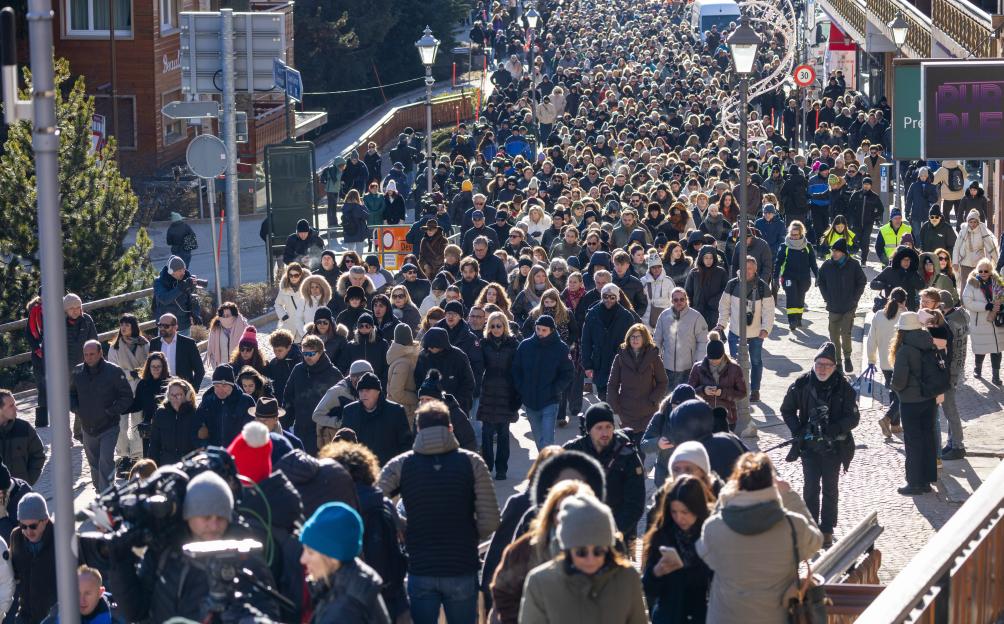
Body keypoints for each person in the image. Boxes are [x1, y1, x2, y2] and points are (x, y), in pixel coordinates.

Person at [378, 400, 500, 624]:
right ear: (451, 428)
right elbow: (491, 520)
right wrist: (469, 536)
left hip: (420, 567)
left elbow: (376, 501)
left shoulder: (401, 465)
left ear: (418, 429)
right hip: (461, 566)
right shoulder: (472, 463)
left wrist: (402, 526)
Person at [109, 470, 278, 623]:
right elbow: (136, 610)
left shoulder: (245, 555)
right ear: (189, 515)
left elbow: (268, 611)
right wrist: (118, 561)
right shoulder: (165, 550)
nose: (213, 525)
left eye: (220, 518)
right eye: (206, 517)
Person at [697, 453, 822, 624]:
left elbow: (707, 557)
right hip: (776, 618)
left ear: (737, 483)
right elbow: (816, 542)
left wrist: (725, 498)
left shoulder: (714, 527)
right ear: (771, 483)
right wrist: (789, 495)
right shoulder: (793, 525)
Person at [518, 493, 648, 624]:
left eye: (598, 551)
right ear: (567, 549)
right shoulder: (540, 582)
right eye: (581, 552)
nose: (590, 559)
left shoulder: (627, 577)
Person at [781, 342, 859, 547]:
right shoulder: (802, 384)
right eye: (819, 364)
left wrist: (836, 428)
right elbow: (787, 409)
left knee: (830, 488)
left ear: (834, 367)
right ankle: (811, 526)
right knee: (810, 488)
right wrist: (799, 430)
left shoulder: (844, 387)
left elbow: (853, 417)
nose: (822, 369)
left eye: (827, 365)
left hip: (833, 448)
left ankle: (827, 528)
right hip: (809, 447)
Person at [563, 403, 645, 542]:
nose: (605, 433)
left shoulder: (627, 455)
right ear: (589, 430)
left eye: (608, 427)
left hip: (618, 533)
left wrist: (612, 533)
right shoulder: (572, 451)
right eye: (599, 428)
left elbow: (635, 503)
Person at [298, 501, 391, 624]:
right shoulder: (353, 578)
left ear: (333, 557)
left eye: (310, 552)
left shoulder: (343, 611)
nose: (302, 559)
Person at [641, 475, 714, 624]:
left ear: (697, 509)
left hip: (701, 617)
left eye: (685, 512)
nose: (679, 518)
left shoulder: (711, 535)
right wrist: (657, 572)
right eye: (674, 512)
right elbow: (648, 589)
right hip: (667, 617)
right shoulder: (662, 535)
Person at [890, 312, 944, 494]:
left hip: (911, 402)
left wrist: (894, 388)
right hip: (928, 398)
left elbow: (899, 381)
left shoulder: (905, 350)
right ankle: (927, 481)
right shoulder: (928, 341)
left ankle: (914, 483)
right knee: (928, 438)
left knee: (913, 442)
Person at [70, 341, 133, 493]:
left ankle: (108, 492)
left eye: (92, 354)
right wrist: (77, 409)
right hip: (87, 426)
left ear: (100, 353)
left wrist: (111, 411)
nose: (89, 357)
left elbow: (127, 396)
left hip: (109, 425)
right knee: (93, 462)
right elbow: (71, 394)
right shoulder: (77, 372)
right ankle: (100, 490)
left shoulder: (114, 371)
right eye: (86, 355)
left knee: (105, 461)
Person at [513, 315, 575, 450]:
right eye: (538, 329)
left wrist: (555, 389)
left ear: (551, 330)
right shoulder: (525, 346)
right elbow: (516, 369)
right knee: (538, 438)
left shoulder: (561, 348)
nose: (540, 333)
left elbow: (568, 372)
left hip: (550, 400)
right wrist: (522, 388)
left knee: (547, 440)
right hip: (530, 400)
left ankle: (547, 467)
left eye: (544, 330)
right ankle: (545, 464)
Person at [718, 256, 773, 406]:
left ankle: (755, 390)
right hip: (736, 331)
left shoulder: (762, 287)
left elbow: (769, 310)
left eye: (750, 269)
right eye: (745, 268)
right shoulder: (732, 284)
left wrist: (766, 329)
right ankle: (738, 388)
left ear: (755, 270)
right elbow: (724, 306)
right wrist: (722, 324)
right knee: (735, 363)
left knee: (756, 361)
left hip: (756, 333)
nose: (747, 272)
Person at [606, 323, 668, 454]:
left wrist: (653, 399)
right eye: (632, 337)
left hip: (648, 412)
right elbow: (612, 385)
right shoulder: (620, 358)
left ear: (644, 338)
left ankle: (639, 472)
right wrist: (614, 409)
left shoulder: (654, 358)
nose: (634, 339)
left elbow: (663, 382)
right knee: (626, 450)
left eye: (638, 336)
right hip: (626, 412)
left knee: (642, 450)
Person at [283, 334, 344, 455]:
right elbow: (288, 397)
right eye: (305, 354)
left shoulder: (333, 374)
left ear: (321, 352)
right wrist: (285, 423)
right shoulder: (298, 370)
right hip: (301, 429)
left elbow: (342, 403)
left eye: (311, 354)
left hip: (324, 431)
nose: (307, 357)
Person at [478, 311, 520, 480]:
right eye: (493, 326)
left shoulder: (513, 344)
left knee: (503, 433)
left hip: (506, 391)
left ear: (504, 326)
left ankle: (502, 468)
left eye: (499, 326)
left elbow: (518, 368)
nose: (496, 329)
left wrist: (517, 394)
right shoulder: (483, 344)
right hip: (488, 391)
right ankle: (487, 466)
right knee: (487, 434)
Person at [340, 373, 412, 466]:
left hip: (389, 470)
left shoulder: (395, 411)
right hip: (360, 471)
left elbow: (406, 444)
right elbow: (343, 442)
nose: (363, 394)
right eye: (361, 390)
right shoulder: (350, 412)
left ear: (378, 391)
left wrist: (401, 468)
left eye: (368, 390)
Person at [817, 238, 867, 371]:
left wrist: (855, 299)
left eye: (837, 251)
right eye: (833, 251)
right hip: (833, 307)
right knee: (833, 335)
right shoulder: (827, 265)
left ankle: (847, 357)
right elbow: (820, 281)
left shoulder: (854, 265)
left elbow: (862, 281)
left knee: (846, 333)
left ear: (844, 253)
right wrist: (827, 297)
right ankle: (838, 362)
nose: (834, 253)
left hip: (848, 307)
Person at [581, 283, 635, 400]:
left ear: (617, 298)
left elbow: (633, 342)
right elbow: (586, 341)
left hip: (620, 362)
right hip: (599, 362)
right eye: (605, 296)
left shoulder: (627, 316)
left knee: (617, 398)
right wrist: (587, 365)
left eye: (612, 297)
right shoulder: (592, 314)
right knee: (603, 397)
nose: (608, 300)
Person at [867, 288, 908, 438]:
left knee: (893, 391)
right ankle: (887, 418)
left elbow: (871, 340)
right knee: (901, 394)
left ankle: (895, 425)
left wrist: (871, 360)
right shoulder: (905, 316)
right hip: (901, 362)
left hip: (885, 363)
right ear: (904, 301)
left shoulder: (878, 315)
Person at [688, 333, 747, 431]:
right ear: (707, 355)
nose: (714, 361)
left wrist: (723, 393)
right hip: (704, 418)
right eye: (711, 359)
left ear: (723, 355)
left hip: (727, 419)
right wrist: (703, 390)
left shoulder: (735, 369)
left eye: (717, 359)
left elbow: (742, 393)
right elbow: (689, 391)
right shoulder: (697, 368)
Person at [11, 493, 53, 624]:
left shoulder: (61, 537)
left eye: (33, 526)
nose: (28, 531)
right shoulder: (16, 537)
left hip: (54, 617)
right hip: (26, 616)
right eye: (23, 526)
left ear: (45, 520)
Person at [961, 258, 1004, 384]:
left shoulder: (999, 282)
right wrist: (986, 306)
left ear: (991, 271)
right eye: (980, 271)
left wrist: (1001, 305)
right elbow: (967, 301)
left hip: (997, 322)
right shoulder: (972, 283)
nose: (983, 273)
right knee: (981, 348)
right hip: (980, 322)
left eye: (986, 270)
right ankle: (977, 368)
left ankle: (996, 376)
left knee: (997, 350)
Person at [195, 364, 255, 448]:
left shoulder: (246, 401)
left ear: (232, 385)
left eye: (224, 386)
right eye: (217, 386)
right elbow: (197, 428)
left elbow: (252, 432)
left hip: (237, 453)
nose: (220, 390)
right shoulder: (207, 401)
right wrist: (206, 448)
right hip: (214, 454)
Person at [775, 220, 817, 332]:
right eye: (791, 234)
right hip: (788, 276)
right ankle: (791, 320)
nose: (793, 236)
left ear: (801, 233)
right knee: (791, 296)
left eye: (796, 234)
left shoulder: (807, 246)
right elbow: (778, 263)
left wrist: (818, 276)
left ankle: (798, 318)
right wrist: (775, 277)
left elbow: (813, 263)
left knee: (800, 297)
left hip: (804, 277)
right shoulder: (784, 246)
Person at [148, 379, 200, 466]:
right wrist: (151, 466)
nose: (175, 398)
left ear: (187, 396)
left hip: (189, 466)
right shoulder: (161, 413)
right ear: (168, 396)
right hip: (166, 466)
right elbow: (154, 443)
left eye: (179, 395)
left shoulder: (195, 414)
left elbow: (199, 445)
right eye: (172, 395)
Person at [0, 390, 46, 485]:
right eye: (11, 406)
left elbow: (38, 455)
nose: (16, 408)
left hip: (19, 491)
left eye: (15, 404)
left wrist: (27, 481)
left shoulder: (24, 428)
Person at [150, 313, 204, 388]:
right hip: (159, 389)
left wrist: (193, 390)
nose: (162, 328)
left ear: (175, 327)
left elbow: (200, 370)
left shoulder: (188, 343)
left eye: (166, 326)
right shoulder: (154, 343)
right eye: (160, 325)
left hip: (182, 390)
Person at [152, 256, 203, 334]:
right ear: (171, 271)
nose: (183, 273)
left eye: (184, 270)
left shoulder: (186, 279)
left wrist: (196, 314)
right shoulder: (160, 282)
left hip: (184, 326)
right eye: (179, 271)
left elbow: (193, 299)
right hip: (166, 328)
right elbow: (164, 299)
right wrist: (181, 287)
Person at [684, 247, 727, 331]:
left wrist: (714, 301)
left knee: (714, 340)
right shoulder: (694, 273)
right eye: (706, 258)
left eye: (711, 258)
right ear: (701, 258)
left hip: (714, 312)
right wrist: (690, 308)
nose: (708, 260)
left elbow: (725, 291)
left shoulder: (721, 272)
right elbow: (688, 292)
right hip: (697, 312)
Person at [872, 245, 925, 312]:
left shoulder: (912, 272)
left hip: (908, 309)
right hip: (891, 309)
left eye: (908, 259)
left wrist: (910, 274)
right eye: (904, 259)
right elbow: (873, 284)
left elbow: (921, 285)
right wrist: (885, 285)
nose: (906, 262)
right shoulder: (889, 270)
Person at [953, 210, 998, 285]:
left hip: (979, 264)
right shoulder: (963, 231)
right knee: (965, 285)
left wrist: (988, 263)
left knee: (979, 285)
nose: (973, 224)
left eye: (975, 222)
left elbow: (988, 248)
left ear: (978, 222)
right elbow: (957, 247)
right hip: (965, 262)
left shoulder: (983, 231)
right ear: (968, 222)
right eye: (971, 222)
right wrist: (955, 262)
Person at [386, 324, 420, 425]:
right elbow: (396, 392)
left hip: (400, 410)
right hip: (405, 411)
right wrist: (417, 399)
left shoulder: (404, 357)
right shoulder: (403, 363)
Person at [847, 176, 883, 264]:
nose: (866, 186)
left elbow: (880, 209)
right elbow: (850, 208)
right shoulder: (856, 194)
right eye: (865, 184)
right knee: (855, 240)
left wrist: (874, 217)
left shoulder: (874, 196)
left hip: (868, 223)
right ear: (862, 185)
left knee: (865, 242)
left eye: (868, 184)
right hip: (857, 222)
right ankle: (851, 258)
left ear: (870, 186)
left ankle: (864, 260)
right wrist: (852, 219)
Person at [265, 329, 302, 407]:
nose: (276, 353)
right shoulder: (273, 363)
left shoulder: (299, 362)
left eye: (280, 350)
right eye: (274, 350)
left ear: (288, 347)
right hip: (279, 404)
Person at [204, 302, 248, 369]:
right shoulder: (215, 328)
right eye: (223, 315)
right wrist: (215, 366)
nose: (225, 318)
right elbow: (211, 349)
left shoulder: (243, 326)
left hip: (239, 367)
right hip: (221, 368)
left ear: (234, 315)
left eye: (228, 315)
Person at [275, 263, 308, 340]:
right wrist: (283, 316)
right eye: (291, 275)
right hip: (289, 325)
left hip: (304, 325)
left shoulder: (307, 289)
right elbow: (277, 304)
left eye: (296, 275)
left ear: (300, 275)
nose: (293, 277)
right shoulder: (284, 290)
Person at [906, 166, 939, 235]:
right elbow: (909, 199)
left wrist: (928, 197)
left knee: (926, 233)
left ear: (927, 176)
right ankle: (917, 245)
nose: (923, 177)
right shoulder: (914, 186)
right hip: (915, 212)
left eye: (924, 176)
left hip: (926, 212)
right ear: (919, 176)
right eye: (921, 176)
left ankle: (924, 245)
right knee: (916, 233)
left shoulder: (931, 186)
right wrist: (907, 211)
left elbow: (935, 199)